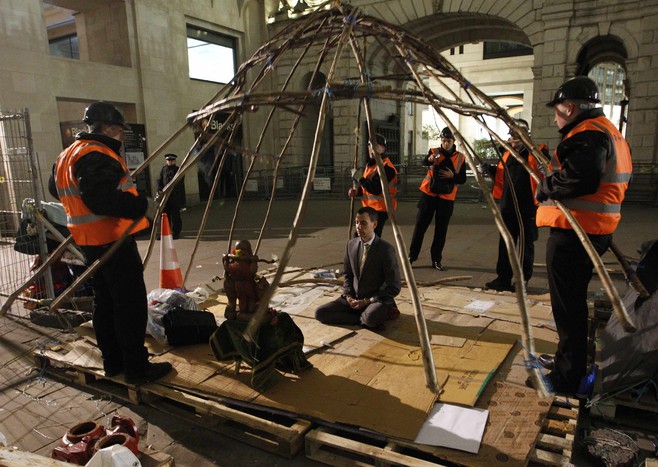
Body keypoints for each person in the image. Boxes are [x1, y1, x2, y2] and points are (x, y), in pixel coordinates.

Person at [49, 101, 172, 384]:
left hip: (90, 242)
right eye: (119, 129)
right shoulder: (96, 154)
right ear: (107, 127)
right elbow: (101, 198)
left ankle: (113, 363)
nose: (120, 135)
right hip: (112, 241)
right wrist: (141, 205)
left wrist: (79, 209)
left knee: (105, 303)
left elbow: (55, 188)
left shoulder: (68, 153)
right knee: (128, 305)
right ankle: (136, 369)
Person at [533, 76, 632, 395]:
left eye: (558, 110)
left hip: (576, 232)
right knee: (571, 303)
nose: (555, 117)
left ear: (571, 107)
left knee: (568, 307)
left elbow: (581, 179)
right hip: (593, 230)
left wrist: (546, 186)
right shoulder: (610, 132)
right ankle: (567, 362)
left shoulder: (589, 133)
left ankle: (566, 379)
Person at [484, 119, 548, 292]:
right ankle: (503, 278)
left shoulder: (535, 153)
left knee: (525, 246)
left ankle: (522, 280)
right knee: (506, 243)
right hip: (507, 207)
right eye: (512, 135)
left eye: (518, 135)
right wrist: (489, 170)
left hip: (527, 208)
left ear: (526, 134)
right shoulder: (506, 154)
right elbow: (502, 178)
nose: (513, 139)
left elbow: (546, 174)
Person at [315, 206, 401, 330]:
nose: (359, 227)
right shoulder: (351, 245)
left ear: (374, 224)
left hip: (375, 300)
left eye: (364, 223)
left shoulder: (386, 250)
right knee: (320, 313)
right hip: (354, 298)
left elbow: (394, 286)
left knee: (371, 316)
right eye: (357, 223)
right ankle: (362, 319)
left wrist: (367, 301)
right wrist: (349, 295)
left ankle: (369, 317)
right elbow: (348, 275)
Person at [408, 127, 467, 270]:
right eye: (443, 140)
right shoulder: (434, 152)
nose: (445, 143)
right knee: (420, 227)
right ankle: (411, 257)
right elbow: (425, 162)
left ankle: (436, 260)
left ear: (454, 142)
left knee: (441, 231)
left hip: (446, 198)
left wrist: (452, 176)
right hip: (429, 195)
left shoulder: (460, 158)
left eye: (448, 141)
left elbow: (463, 179)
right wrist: (429, 159)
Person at [348, 134, 398, 238]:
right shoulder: (371, 165)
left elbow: (375, 189)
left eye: (375, 146)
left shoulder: (387, 168)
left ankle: (371, 254)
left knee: (368, 237)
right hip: (369, 207)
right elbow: (366, 188)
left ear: (383, 149)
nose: (371, 149)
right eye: (369, 146)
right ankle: (364, 253)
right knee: (362, 236)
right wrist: (357, 191)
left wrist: (359, 178)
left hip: (380, 209)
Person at [157, 153, 185, 239]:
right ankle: (166, 233)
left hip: (174, 196)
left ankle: (175, 232)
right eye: (168, 160)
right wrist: (159, 189)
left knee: (175, 216)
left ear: (174, 161)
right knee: (165, 215)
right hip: (166, 197)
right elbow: (160, 180)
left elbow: (180, 183)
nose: (170, 162)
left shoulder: (178, 169)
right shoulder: (164, 169)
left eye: (172, 160)